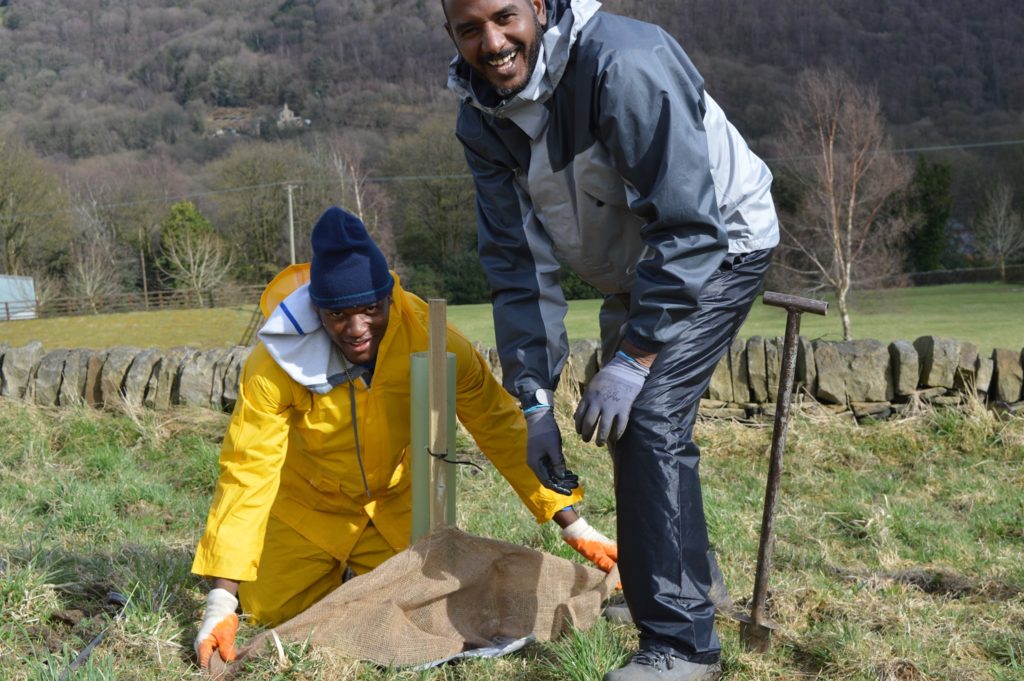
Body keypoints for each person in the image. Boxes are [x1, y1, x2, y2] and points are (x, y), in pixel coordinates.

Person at [442, 1, 780, 679]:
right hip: (641, 263)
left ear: (539, 5)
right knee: (644, 422)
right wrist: (533, 401)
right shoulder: (481, 117)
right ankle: (688, 580)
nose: (492, 42)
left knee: (648, 411)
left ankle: (682, 645)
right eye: (469, 29)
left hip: (720, 242)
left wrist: (634, 357)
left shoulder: (624, 66)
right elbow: (515, 265)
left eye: (504, 17)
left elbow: (689, 227)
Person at [190, 206, 618, 670]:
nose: (357, 329)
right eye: (338, 314)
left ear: (389, 296)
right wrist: (220, 601)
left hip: (394, 505)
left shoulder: (433, 338)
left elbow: (499, 427)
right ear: (317, 309)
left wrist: (573, 523)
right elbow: (246, 473)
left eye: (371, 309)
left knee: (419, 600)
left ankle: (361, 573)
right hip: (307, 510)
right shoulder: (274, 365)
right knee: (271, 611)